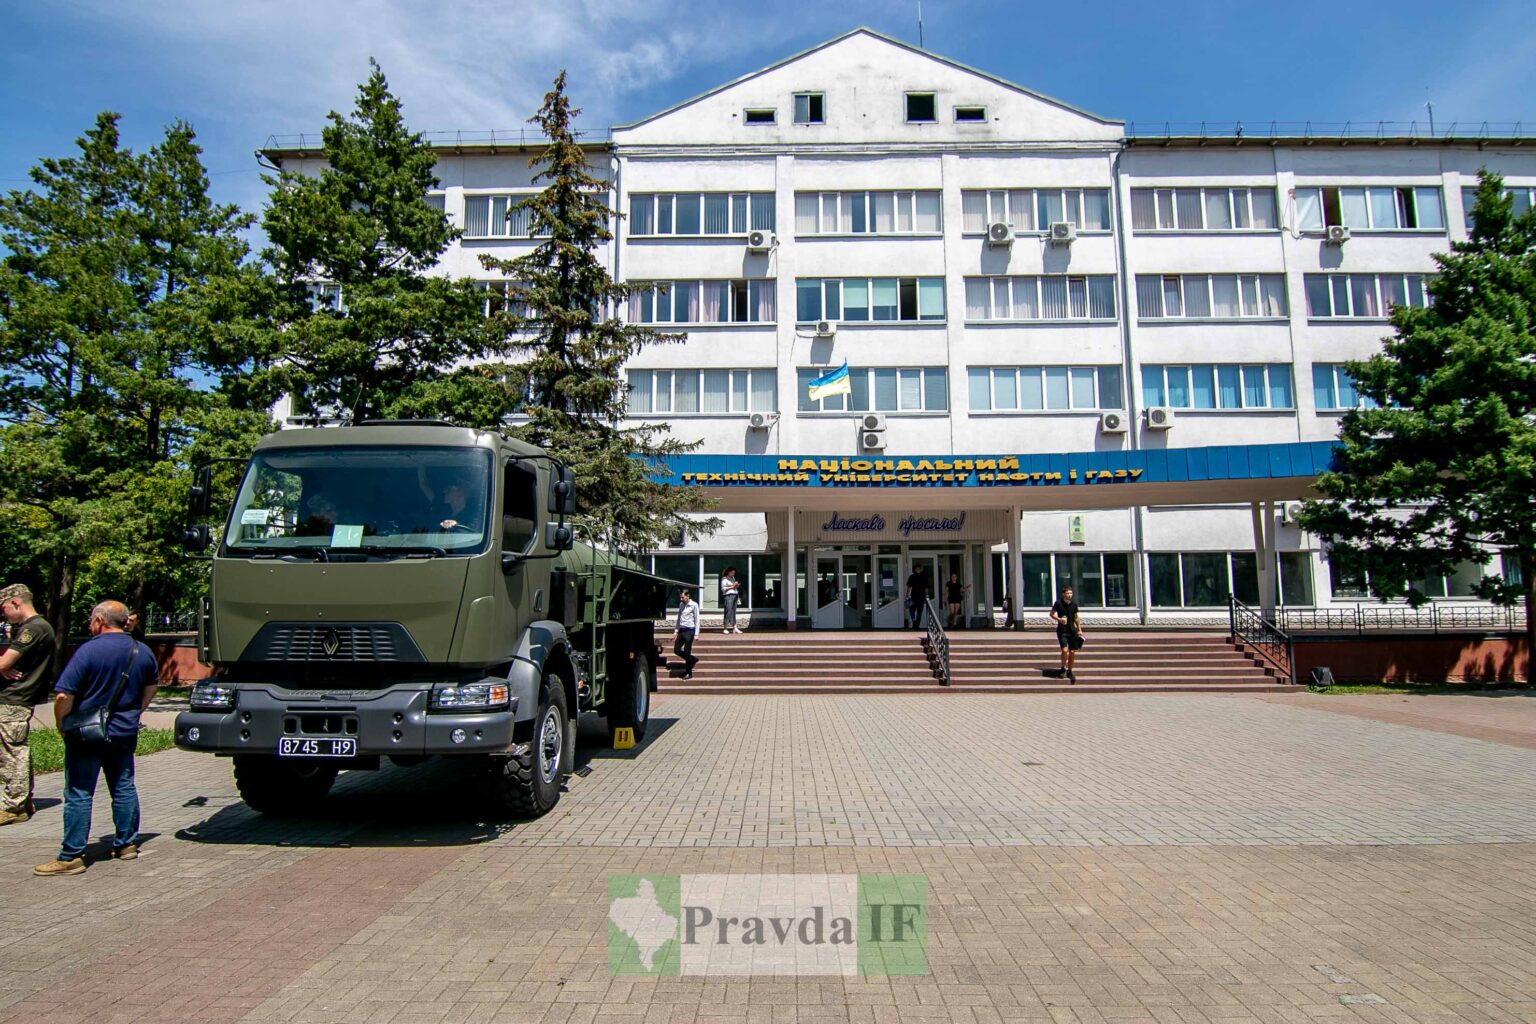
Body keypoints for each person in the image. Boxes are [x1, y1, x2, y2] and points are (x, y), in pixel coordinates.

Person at [34, 600, 158, 877]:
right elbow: (152, 686)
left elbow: (65, 695)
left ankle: (71, 855)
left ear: (100, 621)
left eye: (91, 620)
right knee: (123, 786)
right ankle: (126, 845)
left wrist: (62, 723)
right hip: (124, 731)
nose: (90, 625)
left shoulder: (88, 651)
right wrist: (136, 712)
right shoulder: (142, 650)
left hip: (87, 733)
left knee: (79, 792)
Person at [0, 584, 58, 826]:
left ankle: (14, 806)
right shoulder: (30, 628)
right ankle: (22, 800)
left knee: (12, 752)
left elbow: (4, 664)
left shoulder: (34, 628)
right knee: (12, 750)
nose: (3, 614)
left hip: (15, 698)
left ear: (15, 602)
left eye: (3, 608)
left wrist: (3, 665)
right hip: (15, 698)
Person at [1049, 586, 1084, 683]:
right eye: (1068, 593)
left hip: (1072, 631)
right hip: (1062, 631)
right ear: (1064, 594)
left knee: (1072, 652)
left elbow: (1076, 618)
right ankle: (1063, 668)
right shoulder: (1058, 603)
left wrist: (1079, 630)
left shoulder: (1074, 604)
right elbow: (1051, 614)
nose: (1069, 595)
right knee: (1064, 650)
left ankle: (1070, 670)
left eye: (1071, 593)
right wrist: (1059, 619)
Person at [673, 589, 700, 679]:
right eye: (680, 597)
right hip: (681, 630)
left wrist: (696, 633)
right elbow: (679, 618)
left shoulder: (694, 605)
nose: (681, 599)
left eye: (683, 597)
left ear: (688, 596)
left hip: (690, 631)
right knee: (676, 650)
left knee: (687, 651)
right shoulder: (681, 605)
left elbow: (697, 620)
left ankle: (689, 673)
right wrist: (676, 630)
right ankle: (692, 659)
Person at [905, 564, 930, 629]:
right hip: (913, 596)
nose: (918, 569)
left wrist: (927, 595)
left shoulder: (924, 576)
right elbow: (909, 586)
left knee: (919, 611)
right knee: (911, 609)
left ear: (921, 569)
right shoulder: (912, 576)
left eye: (919, 568)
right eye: (917, 568)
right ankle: (914, 621)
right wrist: (907, 595)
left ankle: (916, 625)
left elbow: (926, 587)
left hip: (921, 596)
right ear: (915, 569)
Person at [720, 567, 742, 634]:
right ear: (729, 572)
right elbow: (723, 589)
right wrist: (732, 586)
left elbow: (734, 588)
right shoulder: (724, 579)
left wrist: (736, 586)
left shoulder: (733, 578)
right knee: (728, 611)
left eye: (734, 573)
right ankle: (725, 627)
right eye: (732, 572)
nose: (733, 574)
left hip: (735, 595)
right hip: (728, 596)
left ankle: (734, 627)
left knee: (733, 611)